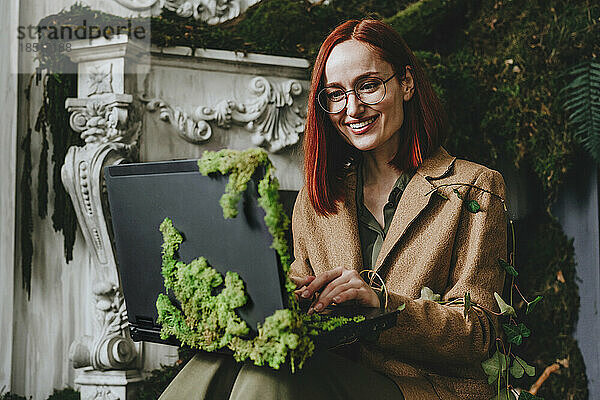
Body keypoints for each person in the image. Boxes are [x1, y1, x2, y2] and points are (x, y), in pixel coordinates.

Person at [160, 18, 506, 400]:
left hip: (423, 388)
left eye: (369, 86)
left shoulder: (474, 187)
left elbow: (479, 333)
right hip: (332, 371)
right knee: (223, 360)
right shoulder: (319, 196)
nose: (352, 108)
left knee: (268, 378)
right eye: (336, 94)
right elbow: (303, 305)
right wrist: (282, 298)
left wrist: (382, 305)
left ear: (406, 83)